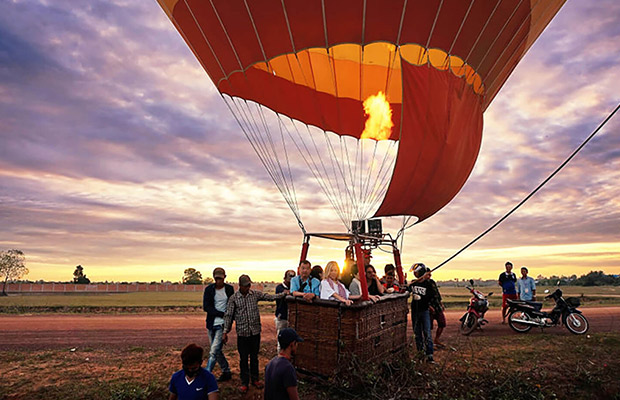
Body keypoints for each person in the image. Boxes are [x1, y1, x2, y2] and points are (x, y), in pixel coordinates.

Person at [222, 274, 287, 394]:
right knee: (243, 359)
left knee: (254, 357)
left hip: (255, 332)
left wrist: (283, 294)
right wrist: (225, 331)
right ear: (240, 286)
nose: (248, 287)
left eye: (249, 285)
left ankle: (255, 379)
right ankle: (244, 382)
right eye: (246, 285)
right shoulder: (234, 299)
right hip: (242, 333)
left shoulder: (255, 294)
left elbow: (270, 297)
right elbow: (229, 316)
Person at [202, 267, 233, 382]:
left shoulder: (229, 289)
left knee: (213, 351)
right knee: (216, 350)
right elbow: (206, 307)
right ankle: (226, 371)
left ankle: (206, 375)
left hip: (222, 325)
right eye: (216, 278)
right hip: (211, 324)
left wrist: (227, 323)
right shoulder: (209, 289)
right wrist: (221, 314)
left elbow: (231, 306)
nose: (218, 281)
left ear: (224, 277)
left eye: (220, 278)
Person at [264, 328, 304, 400]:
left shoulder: (270, 363)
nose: (297, 346)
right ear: (292, 344)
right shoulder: (288, 368)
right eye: (296, 343)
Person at [408, 263, 434, 363]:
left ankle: (430, 355)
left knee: (427, 332)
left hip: (424, 310)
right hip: (415, 311)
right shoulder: (414, 283)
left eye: (417, 272)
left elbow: (431, 296)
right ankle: (420, 353)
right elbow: (406, 289)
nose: (415, 274)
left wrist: (422, 298)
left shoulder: (428, 284)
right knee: (417, 333)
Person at [275, 270, 295, 351]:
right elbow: (284, 293)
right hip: (282, 316)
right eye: (289, 276)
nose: (291, 279)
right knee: (281, 338)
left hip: (291, 317)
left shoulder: (293, 287)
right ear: (285, 278)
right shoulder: (279, 287)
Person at [426, 269, 446, 348]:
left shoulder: (432, 282)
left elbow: (437, 293)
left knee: (442, 323)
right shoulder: (423, 284)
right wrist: (429, 306)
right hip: (428, 307)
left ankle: (436, 339)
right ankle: (429, 343)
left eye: (430, 274)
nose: (429, 276)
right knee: (428, 327)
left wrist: (441, 303)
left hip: (437, 306)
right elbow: (423, 298)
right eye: (428, 274)